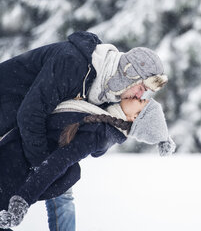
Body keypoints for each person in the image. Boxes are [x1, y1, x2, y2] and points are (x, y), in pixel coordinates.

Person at [0, 31, 168, 231]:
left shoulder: (110, 91)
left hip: (26, 134)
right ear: (129, 74)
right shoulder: (72, 63)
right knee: (57, 177)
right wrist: (42, 165)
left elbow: (95, 141)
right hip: (8, 112)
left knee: (61, 182)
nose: (141, 94)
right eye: (141, 87)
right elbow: (30, 114)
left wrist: (47, 168)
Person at [0, 97, 176, 230]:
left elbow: (58, 163)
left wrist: (23, 199)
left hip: (13, 167)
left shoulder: (99, 133)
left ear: (135, 117)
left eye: (142, 101)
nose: (139, 96)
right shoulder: (104, 113)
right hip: (13, 154)